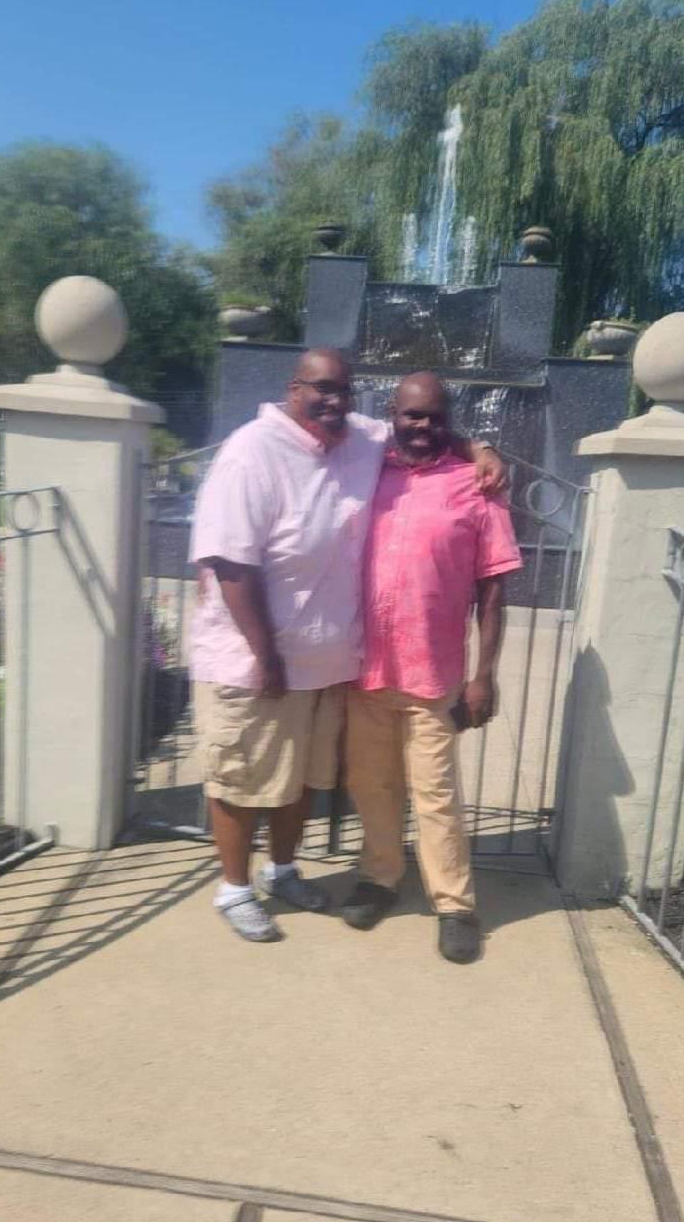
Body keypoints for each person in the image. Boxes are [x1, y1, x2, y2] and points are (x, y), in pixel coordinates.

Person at [187, 349, 505, 942]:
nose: (334, 400)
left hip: (351, 668)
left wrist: (478, 447)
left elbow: (423, 426)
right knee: (246, 779)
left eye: (343, 390)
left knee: (311, 782)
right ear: (294, 388)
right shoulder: (251, 451)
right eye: (321, 388)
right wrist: (266, 656)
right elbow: (230, 563)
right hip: (269, 663)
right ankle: (238, 889)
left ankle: (305, 875)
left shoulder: (363, 442)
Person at [339, 372, 522, 964]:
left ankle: (454, 904)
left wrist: (484, 674)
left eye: (435, 417)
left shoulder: (477, 484)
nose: (423, 426)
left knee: (435, 794)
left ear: (450, 419)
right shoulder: (366, 467)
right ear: (393, 413)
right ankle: (380, 878)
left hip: (432, 674)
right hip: (365, 668)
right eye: (412, 415)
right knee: (372, 785)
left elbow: (492, 590)